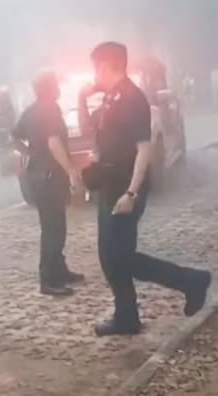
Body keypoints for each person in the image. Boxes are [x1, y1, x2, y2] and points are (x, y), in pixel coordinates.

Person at [78, 42, 212, 336]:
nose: (94, 74)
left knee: (120, 257)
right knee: (110, 256)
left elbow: (144, 149)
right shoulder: (111, 98)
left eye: (96, 67)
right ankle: (127, 315)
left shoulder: (132, 99)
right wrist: (81, 98)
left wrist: (132, 193)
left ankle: (190, 281)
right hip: (108, 185)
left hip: (124, 188)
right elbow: (88, 130)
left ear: (106, 65)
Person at [12, 71, 85, 296]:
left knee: (56, 226)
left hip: (38, 175)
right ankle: (48, 279)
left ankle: (59, 269)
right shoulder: (50, 109)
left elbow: (14, 136)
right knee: (53, 228)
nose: (58, 87)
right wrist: (72, 171)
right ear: (47, 88)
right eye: (54, 84)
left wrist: (30, 153)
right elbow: (54, 143)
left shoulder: (31, 110)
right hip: (50, 176)